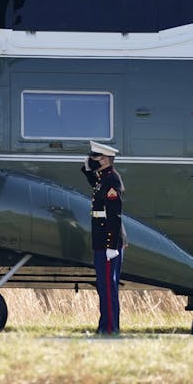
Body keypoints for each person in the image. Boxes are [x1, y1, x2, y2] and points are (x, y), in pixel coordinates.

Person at [80, 140, 125, 335]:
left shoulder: (112, 180)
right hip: (101, 241)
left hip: (108, 241)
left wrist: (111, 245)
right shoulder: (103, 178)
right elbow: (95, 184)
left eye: (96, 157)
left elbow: (114, 215)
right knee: (103, 285)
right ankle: (105, 325)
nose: (93, 159)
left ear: (105, 159)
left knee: (107, 286)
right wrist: (87, 168)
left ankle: (109, 328)